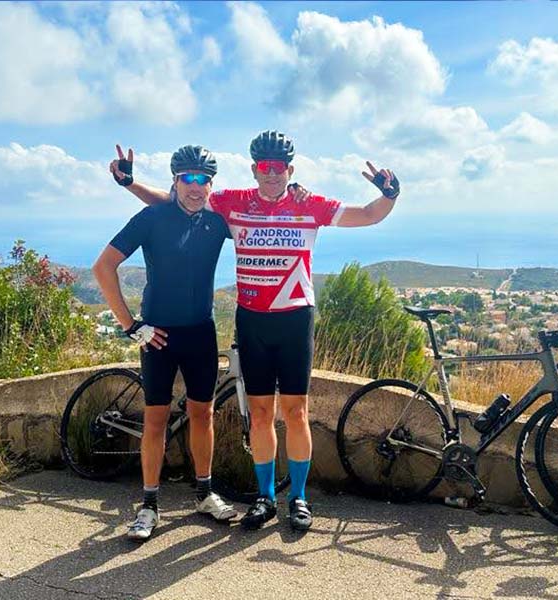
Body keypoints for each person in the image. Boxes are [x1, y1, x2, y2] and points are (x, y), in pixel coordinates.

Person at [109, 131, 401, 532]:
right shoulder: (234, 202)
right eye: (264, 166)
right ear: (254, 169)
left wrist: (389, 195)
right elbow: (176, 202)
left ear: (290, 170)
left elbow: (366, 215)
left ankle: (298, 497)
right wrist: (130, 184)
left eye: (279, 167)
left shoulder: (309, 203)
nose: (272, 174)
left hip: (295, 318)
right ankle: (265, 498)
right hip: (252, 319)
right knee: (261, 414)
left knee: (296, 413)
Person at [94, 145, 238, 541]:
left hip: (201, 332)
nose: (196, 186)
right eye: (188, 178)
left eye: (204, 179)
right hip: (157, 335)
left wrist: (295, 195)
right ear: (175, 181)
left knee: (203, 415)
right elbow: (103, 267)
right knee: (155, 419)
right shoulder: (151, 218)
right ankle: (149, 506)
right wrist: (131, 326)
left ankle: (205, 494)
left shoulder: (216, 222)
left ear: (211, 184)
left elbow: (261, 219)